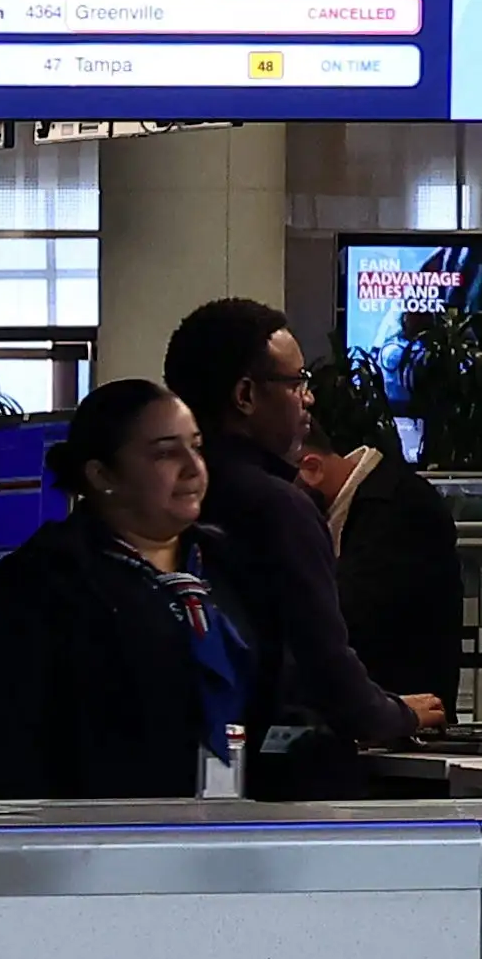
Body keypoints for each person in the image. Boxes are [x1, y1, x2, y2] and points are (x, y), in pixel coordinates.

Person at [163, 298, 428, 789]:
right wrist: (398, 715)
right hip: (275, 784)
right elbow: (326, 667)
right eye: (297, 382)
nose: (308, 398)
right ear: (245, 394)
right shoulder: (278, 507)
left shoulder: (163, 500)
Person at [0, 378, 245, 799]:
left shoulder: (231, 564)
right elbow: (1, 757)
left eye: (196, 446)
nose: (192, 467)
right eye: (166, 453)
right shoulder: (43, 582)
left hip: (239, 837)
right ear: (102, 474)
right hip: (99, 841)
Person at [304, 430, 465, 733]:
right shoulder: (379, 499)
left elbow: (350, 622)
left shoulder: (395, 509)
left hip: (401, 721)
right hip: (384, 715)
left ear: (311, 468)